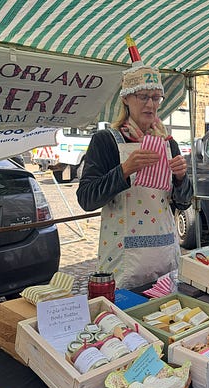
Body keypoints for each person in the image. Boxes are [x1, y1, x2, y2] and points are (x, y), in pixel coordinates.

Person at [77, 59, 193, 289]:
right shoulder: (106, 141)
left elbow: (184, 201)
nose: (151, 104)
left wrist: (181, 179)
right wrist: (124, 170)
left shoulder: (169, 144)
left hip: (164, 257)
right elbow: (86, 199)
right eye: (143, 97)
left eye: (155, 97)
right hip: (123, 259)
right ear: (126, 99)